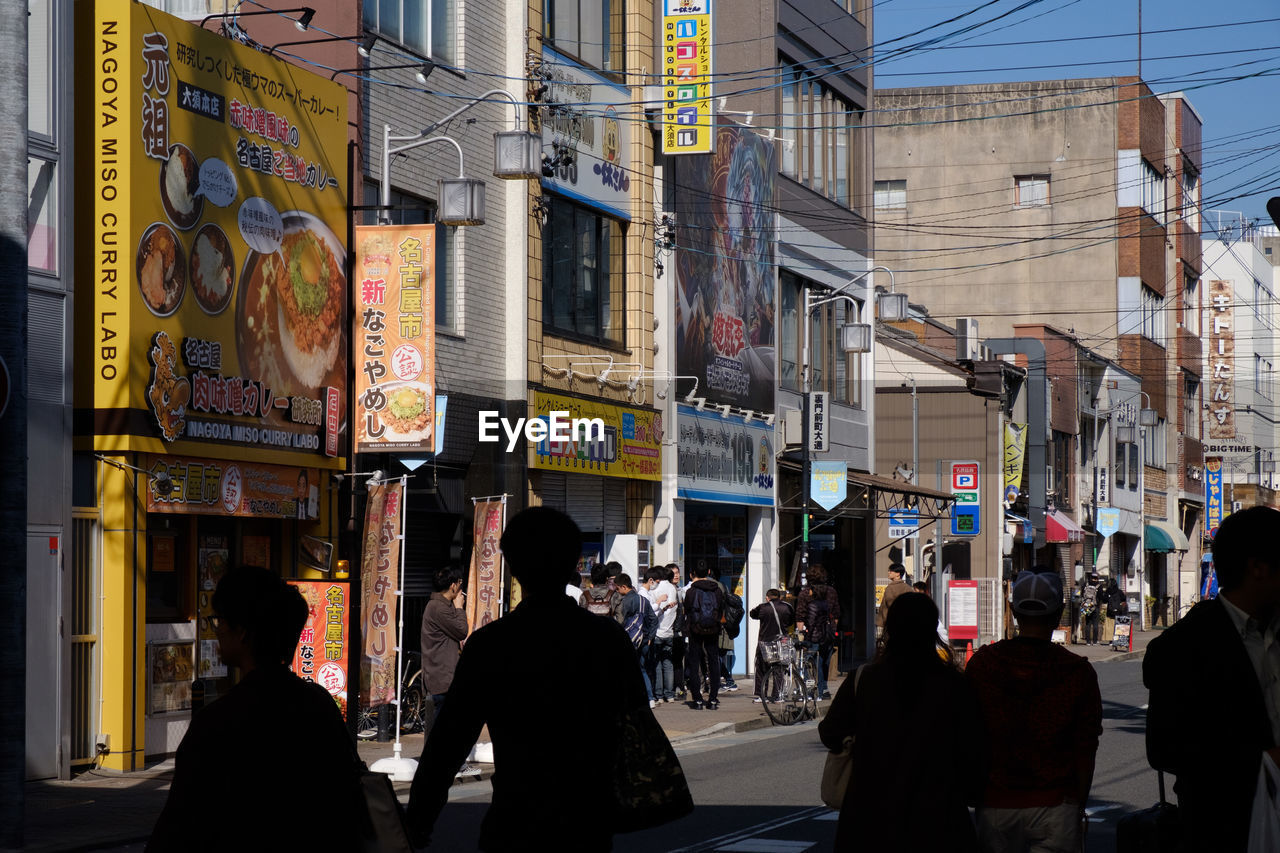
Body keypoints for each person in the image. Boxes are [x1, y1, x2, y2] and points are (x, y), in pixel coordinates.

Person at [407, 507, 647, 852]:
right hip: (586, 823)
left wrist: (416, 825)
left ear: (514, 568)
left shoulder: (491, 645)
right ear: (573, 565)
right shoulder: (607, 639)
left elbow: (446, 745)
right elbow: (636, 726)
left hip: (514, 822)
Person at [148, 566, 361, 851]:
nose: (218, 628)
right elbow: (349, 794)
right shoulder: (319, 704)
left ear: (243, 632)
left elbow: (180, 824)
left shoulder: (218, 721)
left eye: (220, 620)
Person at [1144, 505, 1280, 853]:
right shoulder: (1184, 647)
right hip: (1222, 827)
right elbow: (1165, 749)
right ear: (1258, 568)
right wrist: (1261, 759)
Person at [819, 593, 984, 852]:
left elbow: (830, 733)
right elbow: (973, 749)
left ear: (891, 629)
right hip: (938, 817)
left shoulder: (863, 679)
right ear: (932, 630)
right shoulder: (954, 684)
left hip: (869, 816)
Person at [966, 568, 1102, 853]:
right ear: (1059, 613)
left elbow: (968, 736)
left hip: (995, 804)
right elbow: (1085, 747)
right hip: (1056, 805)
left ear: (1014, 611)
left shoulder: (984, 665)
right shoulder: (1077, 672)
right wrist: (1078, 801)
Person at [421, 567, 468, 721]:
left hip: (443, 676)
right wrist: (460, 607)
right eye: (460, 582)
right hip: (442, 678)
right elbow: (461, 631)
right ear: (453, 585)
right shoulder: (438, 608)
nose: (461, 587)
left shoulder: (441, 605)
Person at [682, 561, 725, 710]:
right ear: (708, 572)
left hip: (695, 629)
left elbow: (687, 609)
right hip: (713, 629)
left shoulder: (691, 591)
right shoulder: (717, 590)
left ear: (693, 574)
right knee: (713, 662)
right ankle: (713, 699)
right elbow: (721, 608)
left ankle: (698, 700)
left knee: (694, 663)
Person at [796, 563, 840, 700]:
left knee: (812, 661)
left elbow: (800, 615)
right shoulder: (832, 591)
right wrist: (832, 628)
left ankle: (814, 690)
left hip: (811, 632)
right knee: (824, 661)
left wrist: (801, 632)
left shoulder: (805, 593)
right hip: (828, 632)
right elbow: (836, 614)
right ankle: (823, 688)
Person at [616, 572, 657, 707]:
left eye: (617, 588)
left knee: (627, 669)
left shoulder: (624, 601)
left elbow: (621, 622)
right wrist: (650, 636)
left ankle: (632, 699)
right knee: (642, 669)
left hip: (629, 640)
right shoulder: (643, 600)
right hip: (644, 639)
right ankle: (650, 698)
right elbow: (654, 619)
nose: (617, 591)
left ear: (623, 587)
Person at [749, 588, 795, 702]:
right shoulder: (787, 607)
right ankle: (778, 694)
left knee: (761, 667)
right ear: (779, 597)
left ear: (767, 597)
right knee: (779, 668)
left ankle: (761, 694)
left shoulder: (763, 607)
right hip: (781, 641)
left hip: (765, 641)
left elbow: (752, 614)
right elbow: (791, 621)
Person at [647, 567, 679, 703]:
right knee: (668, 663)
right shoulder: (673, 588)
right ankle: (670, 694)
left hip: (658, 631)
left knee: (657, 663)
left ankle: (659, 695)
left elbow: (653, 609)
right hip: (670, 631)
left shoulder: (656, 589)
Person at [876, 562, 911, 629]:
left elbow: (890, 604)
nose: (889, 572)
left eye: (891, 571)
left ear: (898, 574)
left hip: (890, 623)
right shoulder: (908, 588)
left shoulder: (891, 587)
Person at [1080, 573, 1101, 645]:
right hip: (1095, 607)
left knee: (1087, 623)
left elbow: (1081, 594)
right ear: (1097, 578)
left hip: (1086, 606)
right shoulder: (1098, 586)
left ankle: (1088, 641)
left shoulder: (1085, 585)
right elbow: (1101, 597)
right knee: (1095, 624)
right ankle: (1095, 641)